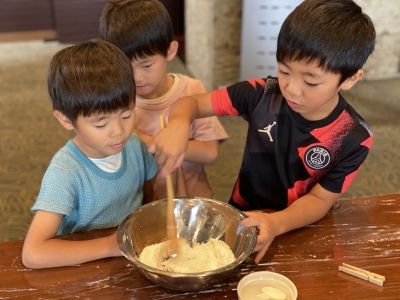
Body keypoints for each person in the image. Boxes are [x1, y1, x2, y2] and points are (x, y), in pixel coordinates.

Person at [149, 0, 376, 264]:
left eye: (311, 81)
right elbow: (191, 103)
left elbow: (320, 199)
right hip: (242, 218)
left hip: (298, 228)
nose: (291, 88)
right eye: (284, 70)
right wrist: (178, 123)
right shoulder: (263, 95)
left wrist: (277, 223)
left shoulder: (353, 137)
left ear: (350, 79)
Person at [22, 39, 158, 269]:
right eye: (100, 124)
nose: (119, 132)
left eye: (126, 115)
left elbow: (150, 196)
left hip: (129, 259)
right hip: (84, 264)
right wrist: (111, 245)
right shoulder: (65, 171)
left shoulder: (134, 144)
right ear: (66, 119)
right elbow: (33, 254)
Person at [99, 0, 228, 200]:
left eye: (146, 65)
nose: (136, 77)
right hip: (141, 199)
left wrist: (150, 141)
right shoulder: (116, 98)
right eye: (126, 65)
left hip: (190, 198)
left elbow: (210, 153)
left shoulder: (191, 90)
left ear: (170, 51)